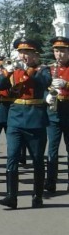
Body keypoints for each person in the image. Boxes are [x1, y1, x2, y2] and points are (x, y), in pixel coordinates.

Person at [0, 38, 51, 209]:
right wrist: (7, 72)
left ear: (35, 55)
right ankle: (11, 196)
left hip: (35, 118)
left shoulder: (43, 70)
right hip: (16, 118)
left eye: (27, 53)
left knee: (37, 159)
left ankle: (37, 196)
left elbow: (45, 82)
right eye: (21, 52)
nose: (23, 56)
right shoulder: (14, 71)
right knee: (12, 157)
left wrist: (29, 71)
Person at [45, 36, 69, 194]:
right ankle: (50, 182)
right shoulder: (49, 69)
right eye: (56, 51)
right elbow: (42, 86)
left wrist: (66, 84)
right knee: (52, 149)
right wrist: (46, 96)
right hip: (54, 112)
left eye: (62, 51)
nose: (59, 54)